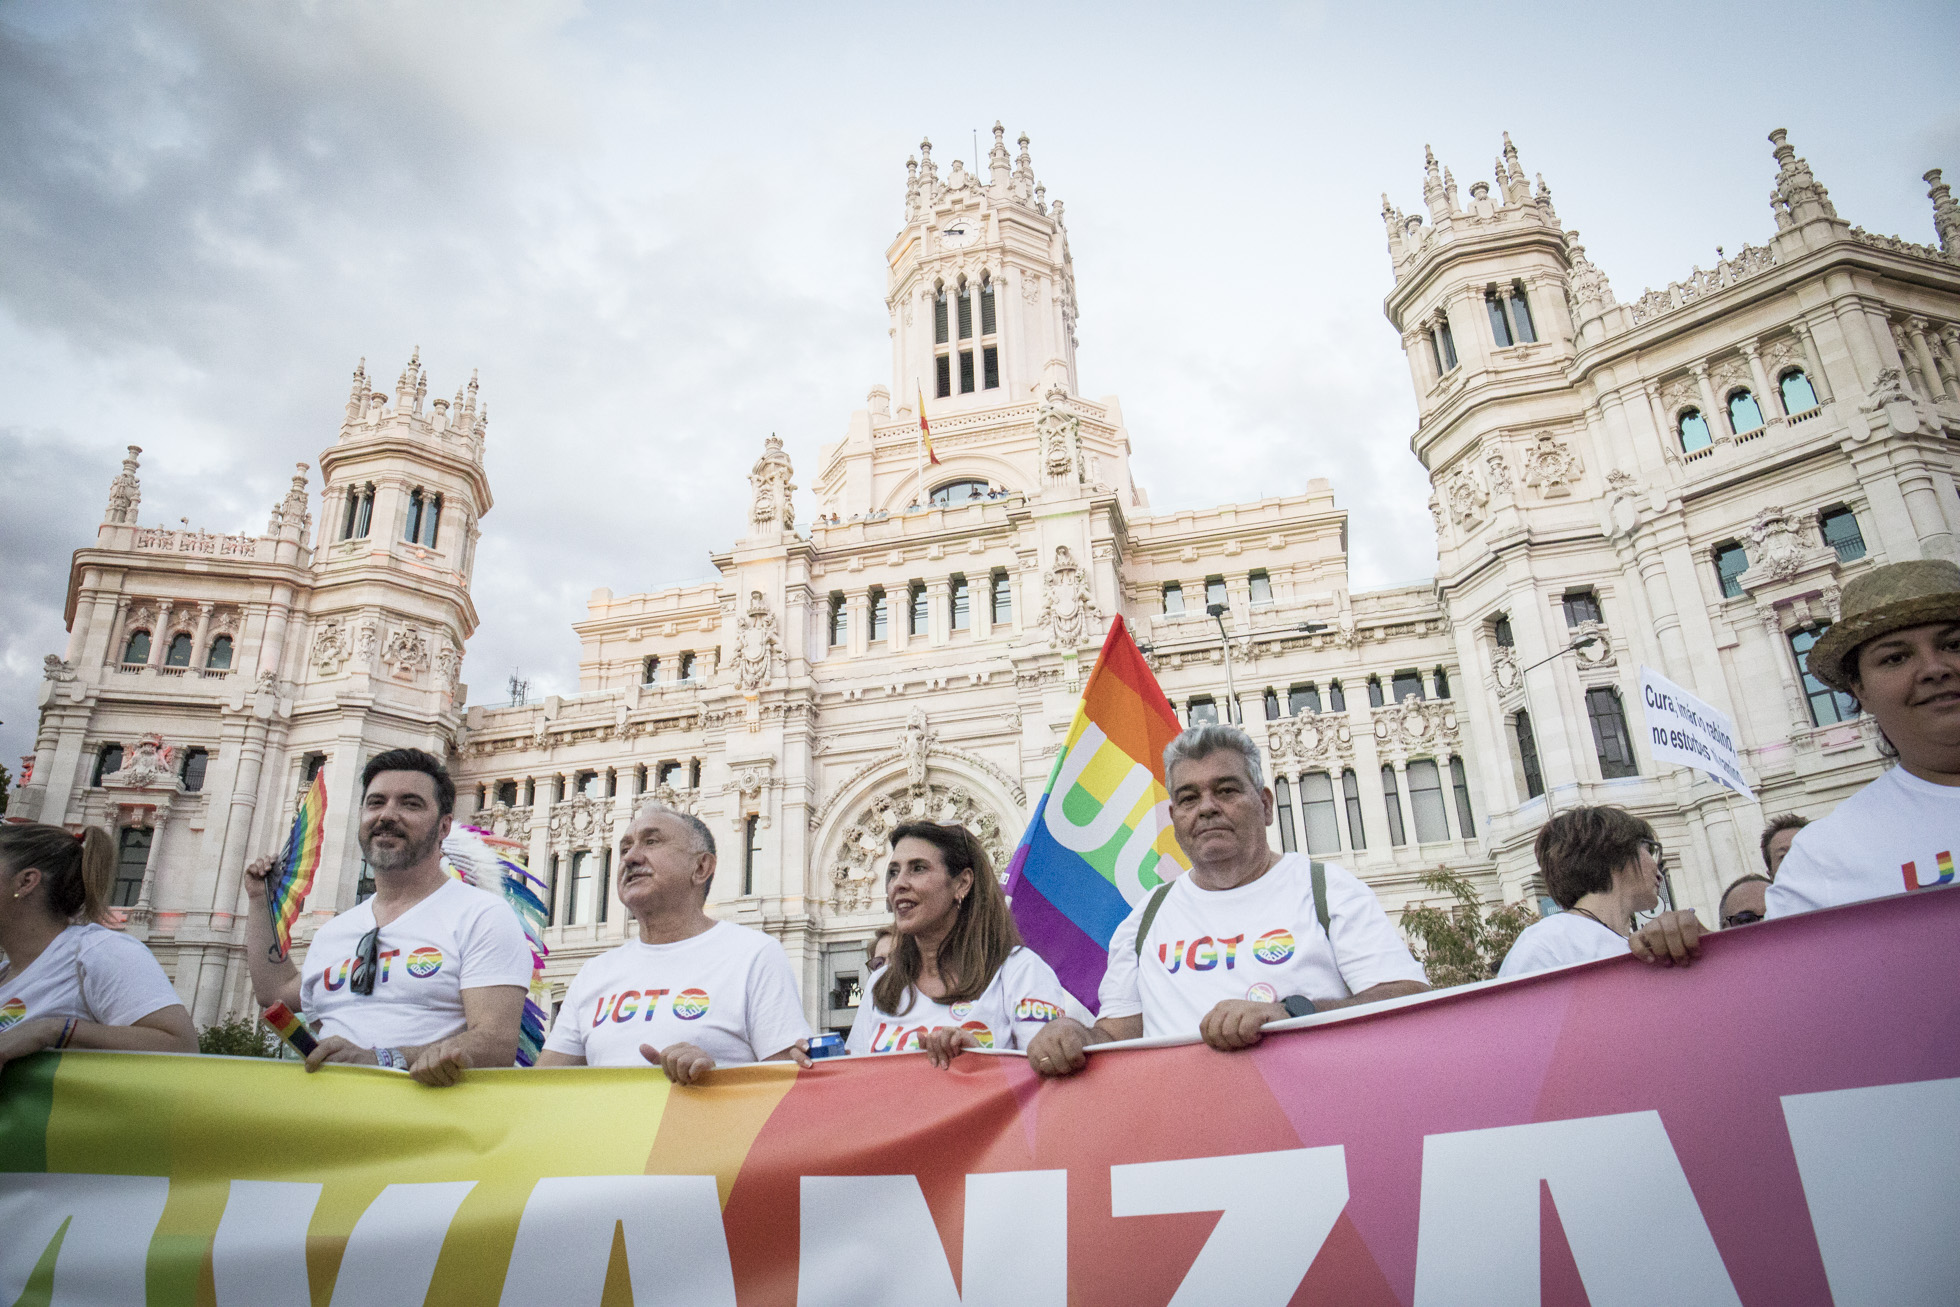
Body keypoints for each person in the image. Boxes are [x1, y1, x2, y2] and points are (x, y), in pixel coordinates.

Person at [1025, 724, 1429, 1077]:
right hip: (1188, 1145)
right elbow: (1115, 1037)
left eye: (1226, 790)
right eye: (1187, 798)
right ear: (1174, 817)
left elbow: (1408, 1002)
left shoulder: (1327, 889)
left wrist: (1292, 1013)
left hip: (1316, 1137)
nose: (1206, 808)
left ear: (1266, 805)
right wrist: (1073, 1035)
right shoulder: (1145, 918)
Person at [1635, 560, 1960, 965]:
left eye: (1953, 645)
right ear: (1858, 688)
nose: (1934, 669)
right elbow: (1782, 994)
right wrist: (1699, 958)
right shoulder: (1823, 857)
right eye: (1895, 658)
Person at [246, 748, 531, 1086]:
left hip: (422, 1126)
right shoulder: (333, 933)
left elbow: (495, 1044)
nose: (387, 815)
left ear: (443, 827)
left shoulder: (482, 915)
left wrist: (381, 1060)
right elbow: (275, 992)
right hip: (323, 1121)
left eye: (410, 804)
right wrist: (258, 901)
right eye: (376, 802)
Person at [536, 803, 810, 1082]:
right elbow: (540, 1089)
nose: (630, 857)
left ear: (701, 867)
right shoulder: (593, 973)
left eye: (651, 842)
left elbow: (788, 1086)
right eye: (624, 849)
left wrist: (717, 1077)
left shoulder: (754, 954)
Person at [846, 822, 1070, 1069]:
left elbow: (1049, 1082)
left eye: (918, 868)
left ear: (962, 883)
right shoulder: (881, 983)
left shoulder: (1020, 971)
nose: (899, 883)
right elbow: (855, 1083)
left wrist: (982, 1062)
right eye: (893, 872)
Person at [0, 821, 198, 1071]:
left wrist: (52, 1030)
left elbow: (182, 1048)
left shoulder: (98, 952)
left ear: (26, 882)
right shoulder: (6, 972)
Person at [1496, 807, 1661, 977]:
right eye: (1649, 849)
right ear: (1615, 852)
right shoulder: (1547, 944)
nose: (1659, 871)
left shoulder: (1638, 944)